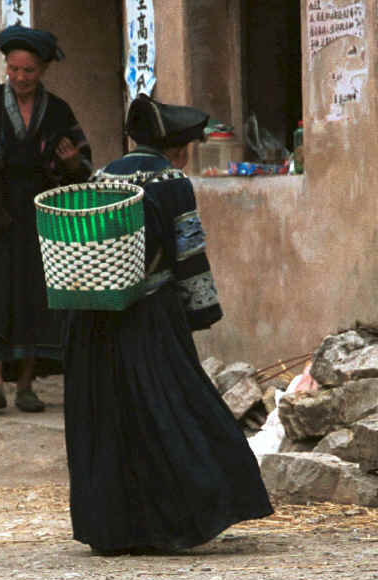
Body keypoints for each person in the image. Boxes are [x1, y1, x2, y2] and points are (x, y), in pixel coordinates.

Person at [63, 94, 273, 555]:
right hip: (151, 315)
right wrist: (201, 313)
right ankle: (180, 518)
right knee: (176, 409)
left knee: (115, 416)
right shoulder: (172, 181)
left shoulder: (101, 177)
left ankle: (116, 528)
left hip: (99, 319)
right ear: (176, 148)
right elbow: (189, 253)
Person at [0, 25, 92, 413]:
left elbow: (83, 162)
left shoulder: (57, 110)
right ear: (6, 68)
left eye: (29, 71)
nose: (20, 78)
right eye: (14, 70)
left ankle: (26, 385)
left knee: (34, 300)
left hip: (38, 216)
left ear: (42, 70)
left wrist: (73, 162)